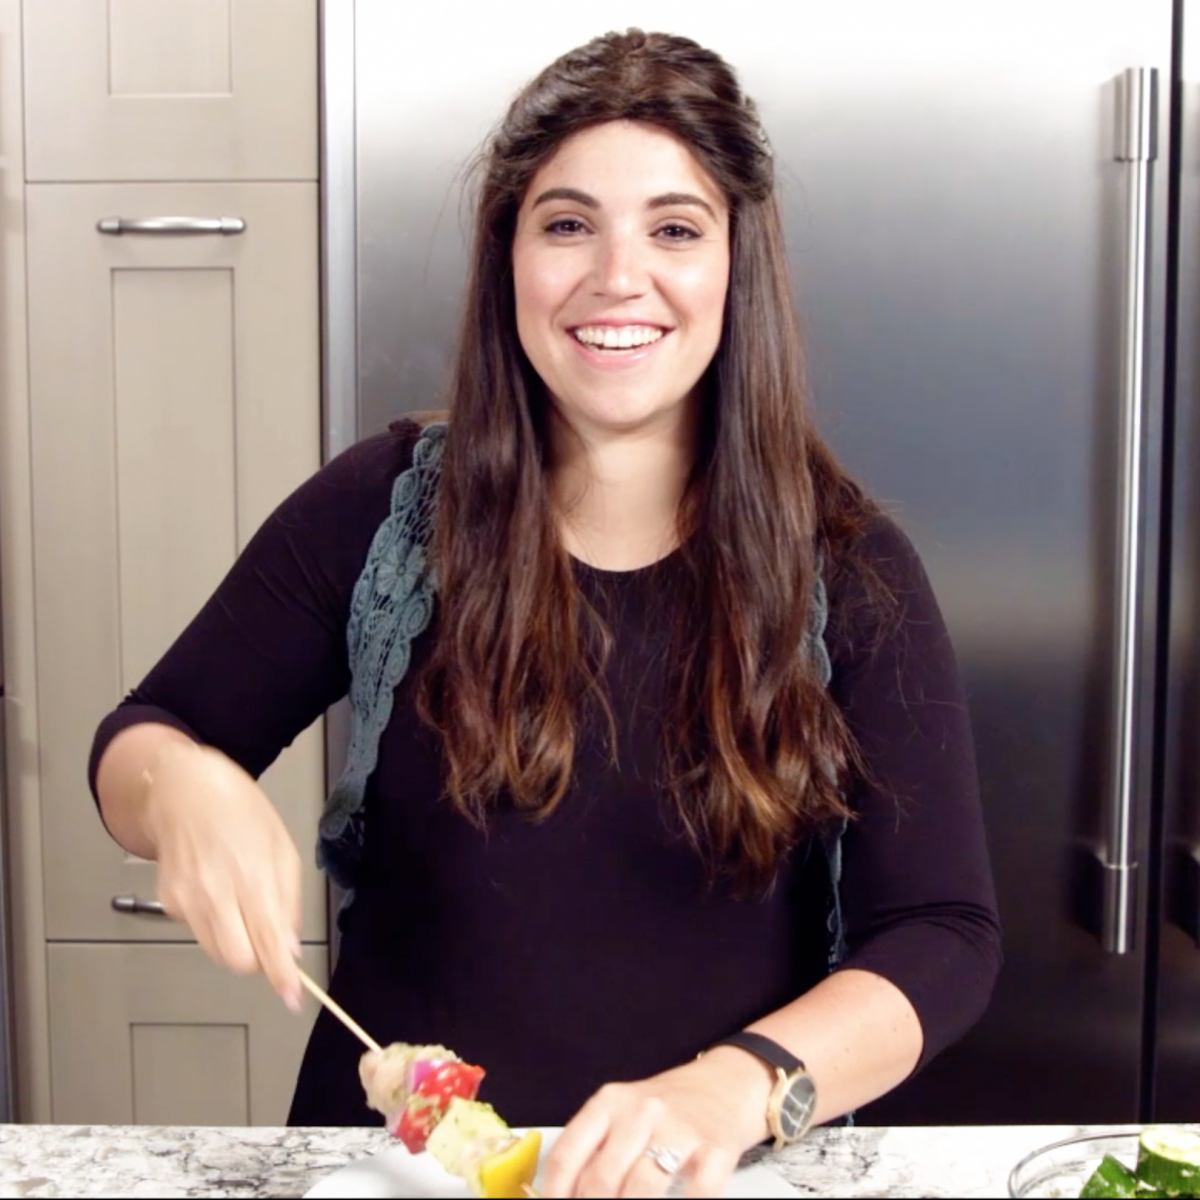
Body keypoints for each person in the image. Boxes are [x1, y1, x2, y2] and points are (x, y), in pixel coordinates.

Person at [88, 28, 1001, 1200]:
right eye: (568, 225)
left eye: (675, 229)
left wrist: (736, 1085)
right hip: (394, 1178)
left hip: (707, 1177)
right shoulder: (379, 514)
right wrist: (182, 787)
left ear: (737, 265)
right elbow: (145, 734)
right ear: (509, 257)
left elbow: (943, 933)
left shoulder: (852, 570)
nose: (618, 277)